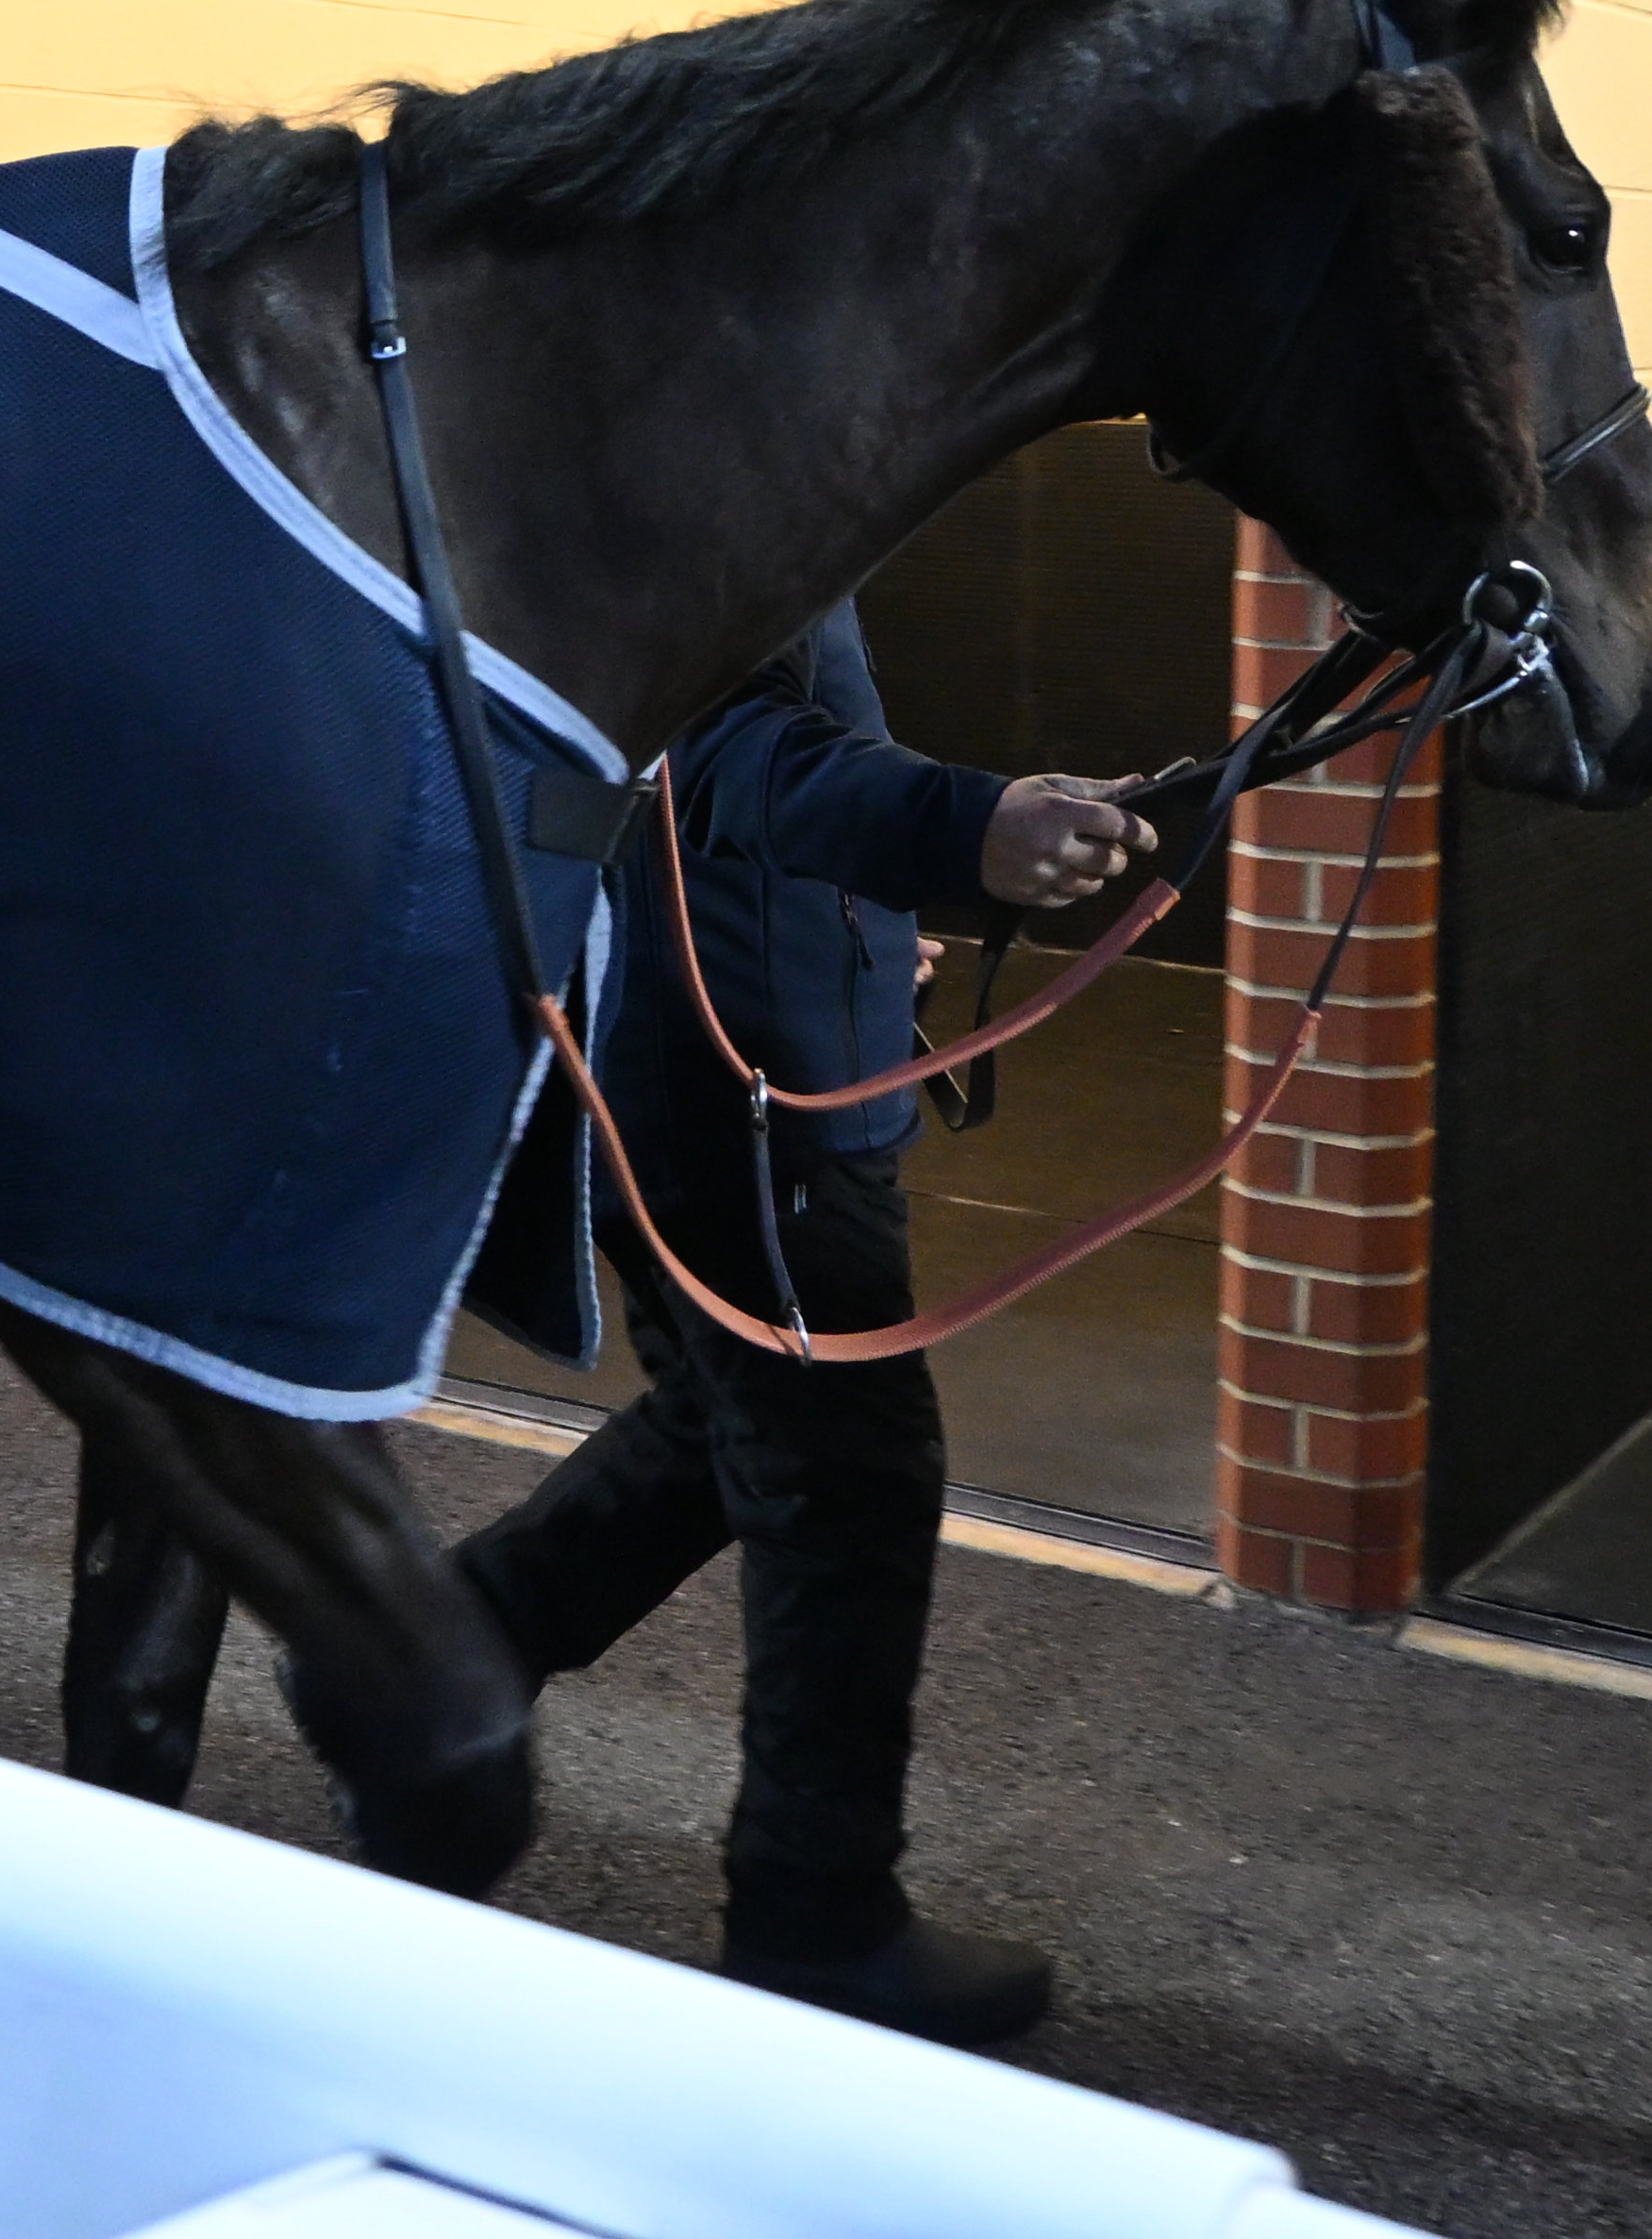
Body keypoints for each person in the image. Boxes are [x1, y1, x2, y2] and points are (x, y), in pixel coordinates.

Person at [452, 602, 1146, 2043]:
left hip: (734, 1052)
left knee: (733, 1427)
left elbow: (775, 755)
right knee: (849, 1479)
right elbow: (730, 752)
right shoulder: (711, 431)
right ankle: (811, 1924)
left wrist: (882, 912)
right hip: (737, 1097)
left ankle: (441, 1644)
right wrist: (973, 832)